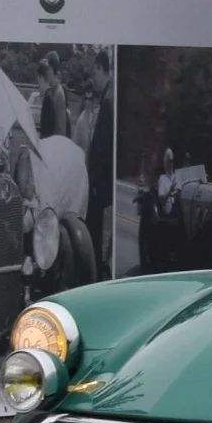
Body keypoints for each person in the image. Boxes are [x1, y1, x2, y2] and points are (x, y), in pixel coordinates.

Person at [85, 49, 115, 280]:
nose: (92, 79)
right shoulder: (107, 97)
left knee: (95, 237)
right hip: (101, 184)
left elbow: (103, 150)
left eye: (94, 73)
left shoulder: (108, 101)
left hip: (99, 187)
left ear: (102, 70)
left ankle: (95, 275)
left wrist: (93, 183)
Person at [37, 54, 68, 139]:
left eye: (47, 70)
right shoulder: (53, 91)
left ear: (51, 69)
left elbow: (61, 128)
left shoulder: (59, 93)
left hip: (56, 143)